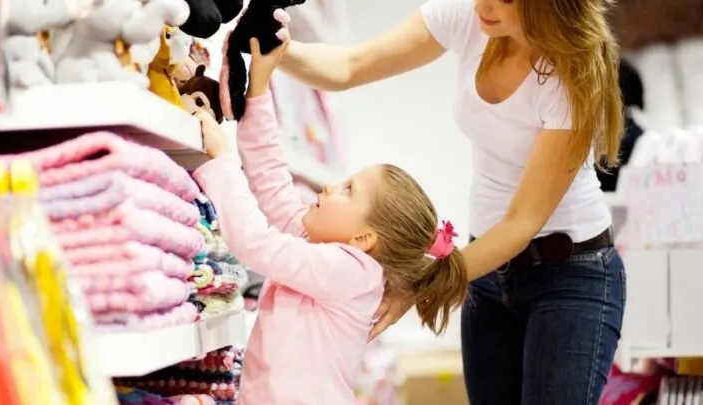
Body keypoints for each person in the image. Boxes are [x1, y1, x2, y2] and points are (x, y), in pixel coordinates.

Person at [278, 0, 626, 404]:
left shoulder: (571, 77)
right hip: (486, 272)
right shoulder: (471, 17)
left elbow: (520, 223)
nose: (483, 4)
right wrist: (276, 48)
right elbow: (350, 66)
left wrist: (422, 284)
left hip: (570, 275)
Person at [192, 33, 468, 404]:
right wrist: (258, 87)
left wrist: (222, 161)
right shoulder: (320, 247)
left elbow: (256, 244)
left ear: (363, 239)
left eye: (349, 190)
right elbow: (271, 178)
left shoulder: (350, 271)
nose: (330, 187)